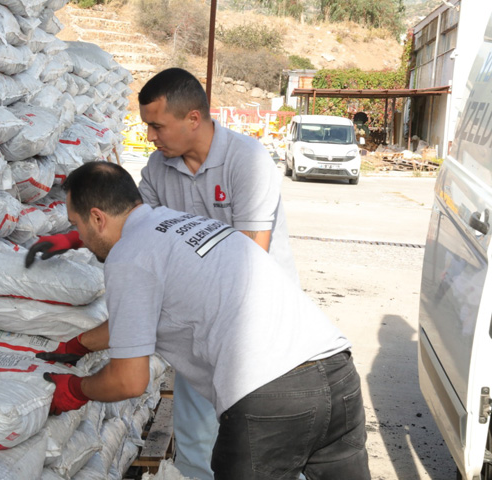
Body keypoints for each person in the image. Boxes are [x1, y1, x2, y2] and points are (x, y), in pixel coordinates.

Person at [27, 67, 298, 479]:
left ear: (193, 119)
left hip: (253, 326)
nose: (150, 137)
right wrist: (76, 239)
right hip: (196, 327)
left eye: (156, 126)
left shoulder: (247, 160)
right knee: (196, 444)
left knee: (262, 449)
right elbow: (131, 229)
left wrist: (94, 342)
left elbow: (250, 261)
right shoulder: (158, 169)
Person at [36, 161, 370, 480]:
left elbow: (129, 381)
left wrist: (77, 389)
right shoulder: (180, 225)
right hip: (338, 375)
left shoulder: (130, 255)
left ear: (97, 217)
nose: (78, 235)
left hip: (271, 398)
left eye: (76, 225)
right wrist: (80, 344)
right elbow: (136, 318)